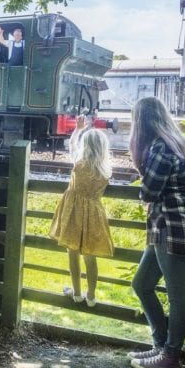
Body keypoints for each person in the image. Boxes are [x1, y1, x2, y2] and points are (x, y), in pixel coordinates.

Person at [128, 96, 185, 368]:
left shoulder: (160, 147)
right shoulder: (175, 142)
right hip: (169, 226)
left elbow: (149, 191)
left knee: (177, 295)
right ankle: (161, 346)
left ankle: (170, 356)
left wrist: (143, 189)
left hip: (172, 227)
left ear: (142, 121)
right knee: (142, 284)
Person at [49, 116, 114, 307]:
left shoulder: (80, 162)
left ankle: (76, 293)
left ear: (85, 145)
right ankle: (91, 296)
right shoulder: (105, 168)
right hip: (93, 212)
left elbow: (71, 145)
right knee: (90, 255)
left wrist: (78, 129)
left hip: (73, 210)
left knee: (72, 252)